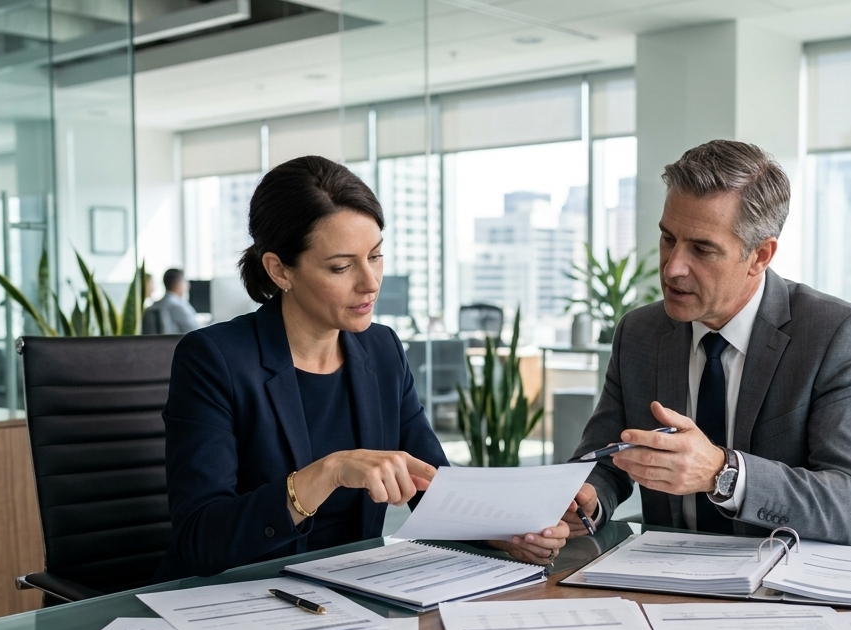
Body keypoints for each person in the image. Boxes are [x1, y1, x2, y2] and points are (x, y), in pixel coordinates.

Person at [154, 156, 568, 580]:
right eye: (341, 266)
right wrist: (328, 473)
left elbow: (431, 486)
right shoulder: (214, 358)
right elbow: (201, 540)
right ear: (279, 270)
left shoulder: (381, 348)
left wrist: (506, 533)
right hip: (241, 598)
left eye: (375, 256)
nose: (370, 282)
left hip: (354, 591)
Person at [562, 140, 851, 548]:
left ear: (759, 256)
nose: (672, 267)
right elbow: (606, 461)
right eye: (668, 239)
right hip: (672, 580)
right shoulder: (639, 333)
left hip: (807, 584)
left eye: (702, 249)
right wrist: (586, 501)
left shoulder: (835, 334)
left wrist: (721, 472)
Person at [143, 269, 200, 335]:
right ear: (178, 283)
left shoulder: (152, 307)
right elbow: (196, 332)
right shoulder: (179, 307)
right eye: (185, 282)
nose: (188, 286)